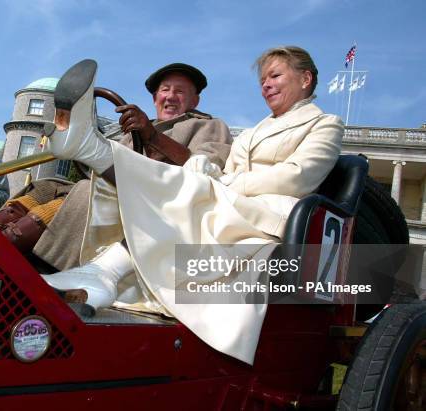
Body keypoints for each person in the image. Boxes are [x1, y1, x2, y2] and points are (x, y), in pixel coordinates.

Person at [41, 46, 343, 365]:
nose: (266, 84)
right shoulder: (253, 133)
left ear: (306, 79)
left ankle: (93, 151)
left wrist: (222, 183)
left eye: (276, 76)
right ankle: (101, 273)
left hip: (273, 213)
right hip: (233, 205)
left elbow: (297, 178)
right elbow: (227, 172)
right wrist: (210, 173)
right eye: (263, 79)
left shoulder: (325, 124)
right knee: (186, 183)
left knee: (188, 188)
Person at [0, 64, 233, 269]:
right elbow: (105, 170)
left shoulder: (208, 126)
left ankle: (7, 256)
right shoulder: (135, 127)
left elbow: (204, 171)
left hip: (158, 206)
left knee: (86, 193)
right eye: (165, 90)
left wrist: (151, 137)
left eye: (180, 92)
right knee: (48, 186)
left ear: (195, 100)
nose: (170, 96)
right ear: (155, 98)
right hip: (119, 191)